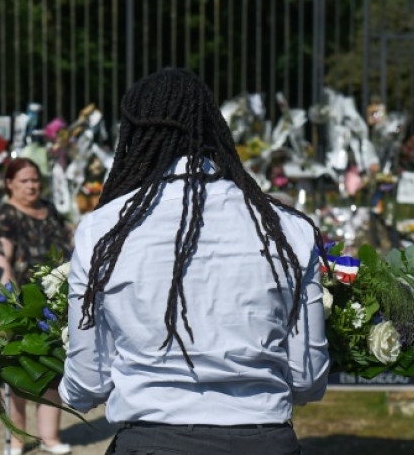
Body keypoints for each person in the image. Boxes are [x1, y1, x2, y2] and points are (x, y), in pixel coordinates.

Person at [59, 68, 330, 455]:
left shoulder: (104, 231)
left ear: (132, 136)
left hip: (152, 442)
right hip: (263, 440)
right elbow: (308, 378)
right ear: (214, 126)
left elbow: (87, 384)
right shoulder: (289, 230)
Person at [0, 157, 73, 455]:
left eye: (35, 179)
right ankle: (17, 439)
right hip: (21, 302)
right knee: (15, 371)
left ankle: (49, 437)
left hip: (54, 304)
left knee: (53, 366)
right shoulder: (6, 213)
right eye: (25, 180)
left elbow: (68, 246)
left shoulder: (50, 210)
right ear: (10, 183)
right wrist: (12, 306)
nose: (32, 185)